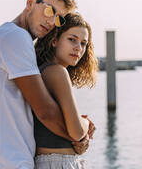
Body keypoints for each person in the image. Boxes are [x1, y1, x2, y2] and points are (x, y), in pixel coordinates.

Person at [0, 0, 91, 169]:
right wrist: (80, 136)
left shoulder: (3, 35)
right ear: (30, 2)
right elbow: (45, 112)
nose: (51, 22)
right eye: (50, 11)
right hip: (6, 162)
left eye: (59, 18)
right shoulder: (16, 37)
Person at [33, 13, 98, 168]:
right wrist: (86, 122)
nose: (78, 48)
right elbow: (77, 132)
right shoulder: (57, 72)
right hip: (58, 163)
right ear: (54, 40)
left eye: (83, 43)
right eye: (72, 39)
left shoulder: (44, 71)